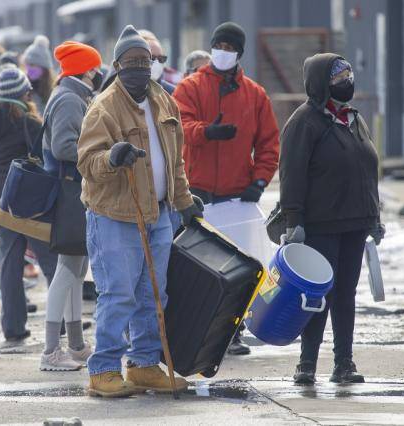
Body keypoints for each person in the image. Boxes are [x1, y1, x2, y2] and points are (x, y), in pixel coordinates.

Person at [78, 25, 203, 397]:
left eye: (144, 62)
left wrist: (184, 202)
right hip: (115, 215)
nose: (138, 68)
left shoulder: (164, 101)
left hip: (159, 214)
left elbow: (175, 161)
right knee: (118, 293)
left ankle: (145, 363)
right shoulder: (103, 108)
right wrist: (112, 157)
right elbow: (86, 162)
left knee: (154, 293)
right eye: (131, 62)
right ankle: (103, 370)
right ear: (117, 66)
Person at [173, 22, 280, 356]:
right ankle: (195, 329)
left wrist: (260, 181)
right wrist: (207, 132)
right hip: (199, 195)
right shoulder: (190, 87)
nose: (223, 51)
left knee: (240, 270)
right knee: (197, 269)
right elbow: (179, 127)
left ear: (239, 53)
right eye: (218, 45)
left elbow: (269, 144)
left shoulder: (255, 95)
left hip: (238, 198)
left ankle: (232, 331)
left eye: (230, 47)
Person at [280, 54, 385, 385]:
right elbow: (291, 175)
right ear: (320, 82)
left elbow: (367, 170)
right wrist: (293, 220)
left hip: (354, 222)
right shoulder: (304, 122)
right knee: (318, 297)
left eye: (348, 74)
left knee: (346, 294)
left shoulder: (353, 118)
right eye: (338, 76)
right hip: (320, 225)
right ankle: (307, 363)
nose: (347, 80)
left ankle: (344, 363)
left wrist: (374, 216)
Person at [39, 41, 104, 371]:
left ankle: (76, 344)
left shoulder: (68, 95)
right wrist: (97, 154)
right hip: (70, 193)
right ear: (86, 70)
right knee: (66, 271)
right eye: (95, 67)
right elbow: (65, 147)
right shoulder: (69, 99)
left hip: (71, 192)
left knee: (76, 270)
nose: (99, 73)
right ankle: (51, 351)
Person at [0, 67, 58, 341]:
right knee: (52, 263)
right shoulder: (28, 122)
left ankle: (12, 327)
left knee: (10, 264)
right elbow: (46, 159)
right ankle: (60, 322)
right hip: (28, 200)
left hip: (0, 199)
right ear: (24, 93)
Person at [22, 35, 55, 116]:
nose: (29, 68)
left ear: (44, 68)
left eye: (33, 65)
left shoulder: (53, 90)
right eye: (27, 64)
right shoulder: (22, 87)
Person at [138, 30, 176, 95]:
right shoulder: (120, 90)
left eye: (161, 59)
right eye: (152, 58)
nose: (157, 63)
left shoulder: (172, 93)